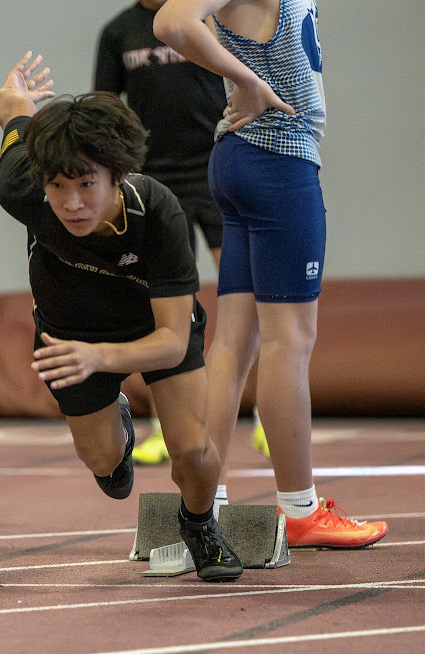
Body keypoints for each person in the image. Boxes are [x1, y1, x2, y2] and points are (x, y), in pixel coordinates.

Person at [0, 52, 242, 582]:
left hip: (151, 329)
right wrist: (15, 95)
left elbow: (173, 341)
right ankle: (119, 430)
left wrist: (100, 358)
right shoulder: (20, 189)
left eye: (86, 185)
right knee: (104, 464)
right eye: (57, 187)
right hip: (68, 335)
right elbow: (13, 115)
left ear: (118, 174)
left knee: (195, 454)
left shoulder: (158, 212)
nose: (71, 203)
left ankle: (199, 524)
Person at [154, 0, 388, 547]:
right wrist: (248, 80)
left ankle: (204, 501)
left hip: (241, 159)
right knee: (290, 340)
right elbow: (170, 22)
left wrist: (244, 77)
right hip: (276, 160)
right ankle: (300, 508)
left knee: (234, 343)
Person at [94, 0, 267, 468]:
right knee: (166, 308)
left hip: (215, 167)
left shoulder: (202, 17)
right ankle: (162, 426)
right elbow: (104, 111)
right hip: (155, 184)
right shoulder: (118, 32)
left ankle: (269, 414)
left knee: (251, 293)